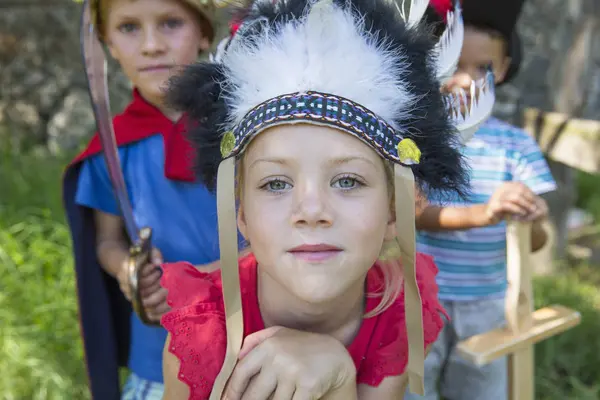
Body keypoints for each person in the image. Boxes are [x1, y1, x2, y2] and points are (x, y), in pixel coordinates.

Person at [157, 0, 493, 398]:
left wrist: (339, 375)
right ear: (241, 213)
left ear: (395, 210)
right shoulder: (202, 333)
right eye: (276, 184)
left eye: (348, 180)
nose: (311, 211)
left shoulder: (399, 315)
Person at [62, 0, 232, 398]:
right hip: (160, 357)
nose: (152, 45)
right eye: (129, 28)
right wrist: (131, 272)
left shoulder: (245, 131)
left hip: (257, 338)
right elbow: (107, 240)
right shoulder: (112, 150)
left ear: (204, 32)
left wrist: (203, 281)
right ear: (108, 43)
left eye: (171, 23)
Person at [408, 1, 558, 399]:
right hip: (419, 298)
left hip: (489, 304)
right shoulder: (419, 141)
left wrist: (533, 220)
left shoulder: (516, 146)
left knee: (482, 391)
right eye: (454, 65)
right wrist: (485, 212)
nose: (465, 81)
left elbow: (536, 240)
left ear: (503, 69)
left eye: (483, 69)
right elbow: (414, 214)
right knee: (410, 389)